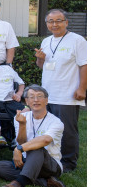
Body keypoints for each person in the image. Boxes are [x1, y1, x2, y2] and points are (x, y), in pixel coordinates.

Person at [35, 9, 86, 173]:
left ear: (66, 22)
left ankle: (69, 162)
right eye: (50, 21)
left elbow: (84, 65)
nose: (54, 24)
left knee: (68, 130)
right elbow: (42, 66)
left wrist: (82, 88)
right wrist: (40, 59)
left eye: (58, 21)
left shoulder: (77, 40)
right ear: (46, 24)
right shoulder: (46, 41)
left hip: (67, 94)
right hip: (48, 94)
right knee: (50, 127)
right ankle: (52, 157)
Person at [0, 85, 68, 187]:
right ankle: (47, 182)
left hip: (49, 165)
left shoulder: (56, 122)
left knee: (36, 148)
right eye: (32, 97)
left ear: (46, 100)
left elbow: (45, 140)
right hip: (26, 162)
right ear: (27, 101)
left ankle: (19, 184)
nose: (36, 100)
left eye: (40, 96)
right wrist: (22, 125)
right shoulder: (21, 117)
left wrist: (19, 149)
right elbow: (21, 141)